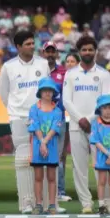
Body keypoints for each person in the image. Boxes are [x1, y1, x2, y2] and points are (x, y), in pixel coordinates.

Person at [0, 31, 51, 213]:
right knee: (22, 160)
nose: (31, 46)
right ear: (18, 47)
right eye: (27, 44)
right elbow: (4, 95)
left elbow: (48, 90)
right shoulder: (8, 66)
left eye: (32, 43)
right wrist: (16, 111)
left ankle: (44, 202)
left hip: (41, 116)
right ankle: (26, 203)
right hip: (19, 116)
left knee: (43, 157)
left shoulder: (43, 64)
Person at [62, 35, 110, 213]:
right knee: (79, 166)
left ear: (95, 51)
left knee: (101, 165)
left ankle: (104, 202)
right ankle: (86, 203)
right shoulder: (70, 74)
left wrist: (89, 119)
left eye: (90, 49)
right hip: (76, 126)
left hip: (98, 125)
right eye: (84, 50)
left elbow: (105, 101)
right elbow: (66, 100)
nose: (87, 52)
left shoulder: (103, 74)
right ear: (79, 52)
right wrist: (80, 119)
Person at [29, 77, 64, 215]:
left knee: (51, 177)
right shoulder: (34, 109)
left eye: (50, 90)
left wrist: (44, 142)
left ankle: (52, 205)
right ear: (40, 92)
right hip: (37, 146)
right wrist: (42, 142)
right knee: (38, 177)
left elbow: (55, 128)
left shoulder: (57, 111)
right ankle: (38, 204)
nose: (48, 93)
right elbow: (35, 125)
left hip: (51, 146)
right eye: (45, 90)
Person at [42, 42, 71, 205]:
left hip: (58, 118)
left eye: (53, 51)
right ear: (43, 53)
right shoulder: (38, 71)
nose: (50, 54)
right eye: (48, 51)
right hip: (41, 118)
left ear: (57, 54)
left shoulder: (64, 72)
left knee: (58, 156)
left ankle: (59, 191)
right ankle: (41, 191)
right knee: (40, 155)